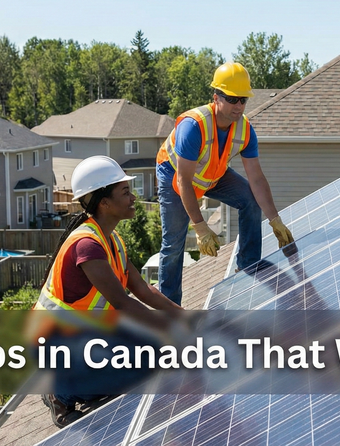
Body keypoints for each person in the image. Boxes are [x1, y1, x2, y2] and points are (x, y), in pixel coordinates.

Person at [34, 155, 184, 428]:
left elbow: (143, 289)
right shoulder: (87, 246)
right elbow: (122, 303)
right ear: (104, 202)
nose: (133, 198)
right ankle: (60, 393)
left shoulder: (111, 240)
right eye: (125, 192)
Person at [156, 62, 294, 305]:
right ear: (216, 97)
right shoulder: (193, 126)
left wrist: (275, 220)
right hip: (174, 175)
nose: (238, 106)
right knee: (174, 244)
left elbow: (257, 179)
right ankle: (169, 307)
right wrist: (200, 226)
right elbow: (184, 181)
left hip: (212, 174)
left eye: (243, 100)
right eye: (231, 99)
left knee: (250, 199)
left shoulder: (245, 130)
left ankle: (248, 265)